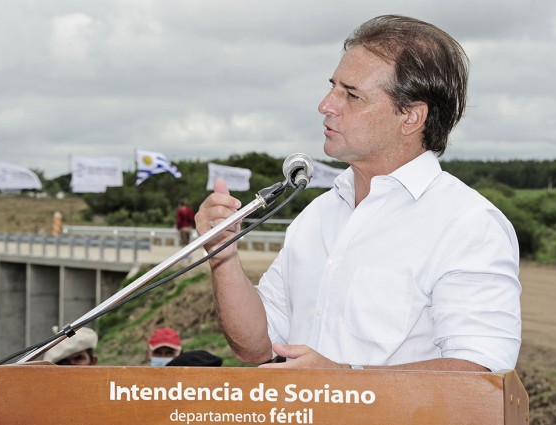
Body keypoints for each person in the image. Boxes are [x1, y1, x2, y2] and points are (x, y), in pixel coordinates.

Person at [195, 15, 521, 373]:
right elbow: (255, 346)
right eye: (333, 86)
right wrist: (222, 253)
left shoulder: (469, 225)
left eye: (351, 95)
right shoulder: (317, 214)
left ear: (411, 117)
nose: (325, 105)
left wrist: (343, 380)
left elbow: (481, 373)